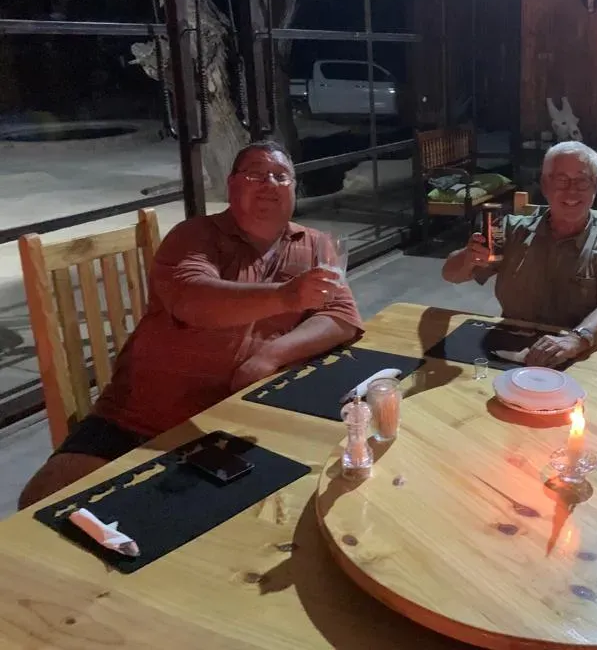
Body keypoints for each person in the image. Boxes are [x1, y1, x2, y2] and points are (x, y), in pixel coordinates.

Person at [19, 141, 363, 508]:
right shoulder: (194, 236)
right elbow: (193, 300)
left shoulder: (315, 244)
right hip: (141, 424)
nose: (269, 183)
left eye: (281, 176)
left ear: (294, 188)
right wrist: (286, 296)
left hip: (245, 423)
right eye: (255, 174)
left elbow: (341, 314)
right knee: (41, 508)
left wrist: (272, 355)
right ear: (231, 185)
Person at [442, 141, 597, 368]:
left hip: (583, 352)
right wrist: (469, 256)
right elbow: (450, 275)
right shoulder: (511, 230)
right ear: (545, 185)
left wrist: (576, 339)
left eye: (582, 180)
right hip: (513, 348)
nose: (571, 190)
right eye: (561, 180)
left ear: (595, 185)